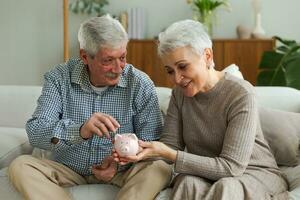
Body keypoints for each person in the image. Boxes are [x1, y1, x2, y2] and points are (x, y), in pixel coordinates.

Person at [114, 19, 289, 199]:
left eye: (183, 66)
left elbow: (231, 168)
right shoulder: (179, 95)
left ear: (207, 56)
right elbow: (169, 148)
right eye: (169, 71)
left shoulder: (241, 94)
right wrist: (140, 152)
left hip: (254, 173)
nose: (177, 78)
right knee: (186, 182)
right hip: (210, 176)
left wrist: (169, 153)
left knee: (227, 187)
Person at [8, 15, 172, 200]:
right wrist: (80, 130)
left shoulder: (140, 83)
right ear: (85, 56)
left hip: (122, 172)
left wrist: (119, 162)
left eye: (122, 57)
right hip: (68, 168)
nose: (118, 68)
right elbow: (36, 131)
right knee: (21, 166)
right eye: (108, 60)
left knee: (159, 168)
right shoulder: (58, 78)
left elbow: (152, 141)